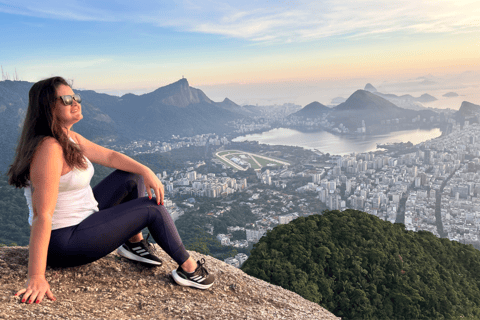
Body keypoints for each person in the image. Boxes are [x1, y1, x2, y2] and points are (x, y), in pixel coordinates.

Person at [7, 76, 214, 305]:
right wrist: (36, 276)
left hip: (84, 221)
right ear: (48, 107)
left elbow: (109, 156)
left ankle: (134, 244)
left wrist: (146, 170)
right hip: (63, 242)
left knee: (132, 176)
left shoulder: (68, 137)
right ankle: (190, 270)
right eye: (67, 99)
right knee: (151, 209)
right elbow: (42, 214)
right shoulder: (50, 148)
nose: (76, 102)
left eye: (76, 97)